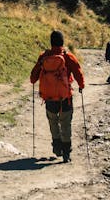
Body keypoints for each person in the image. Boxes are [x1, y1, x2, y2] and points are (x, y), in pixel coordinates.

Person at [30, 30, 85, 162]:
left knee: (53, 122)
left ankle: (57, 146)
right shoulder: (68, 57)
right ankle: (66, 153)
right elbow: (78, 73)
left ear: (51, 42)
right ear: (63, 41)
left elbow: (33, 78)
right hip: (65, 98)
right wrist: (81, 85)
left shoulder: (44, 57)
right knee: (66, 124)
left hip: (49, 98)